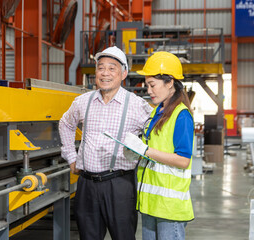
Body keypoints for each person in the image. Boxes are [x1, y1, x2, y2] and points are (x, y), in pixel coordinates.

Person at [59, 46, 152, 240]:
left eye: (112, 68)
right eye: (101, 68)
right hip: (87, 184)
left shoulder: (138, 105)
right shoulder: (82, 102)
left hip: (120, 184)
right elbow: (65, 123)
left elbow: (155, 134)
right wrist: (71, 157)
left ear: (123, 73)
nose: (105, 73)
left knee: (123, 236)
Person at [123, 51, 195, 240]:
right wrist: (136, 152)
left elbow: (183, 160)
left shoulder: (181, 116)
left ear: (170, 82)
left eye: (152, 85)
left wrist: (145, 150)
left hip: (169, 208)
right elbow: (153, 149)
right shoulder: (157, 112)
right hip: (150, 202)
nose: (149, 90)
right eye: (147, 85)